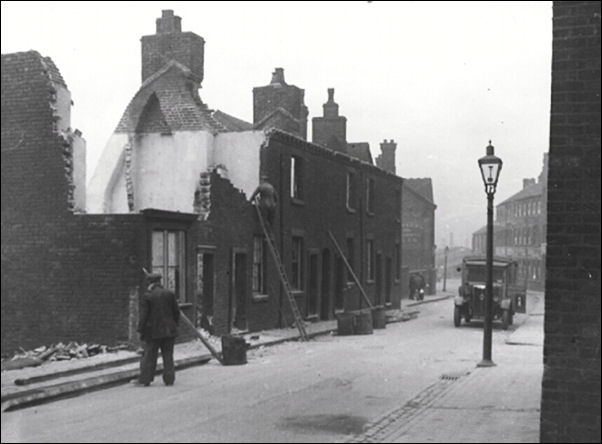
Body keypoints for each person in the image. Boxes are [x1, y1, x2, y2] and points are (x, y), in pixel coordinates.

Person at [136, 272, 180, 386]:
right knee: (168, 355)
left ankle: (146, 379)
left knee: (150, 356)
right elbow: (176, 312)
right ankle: (169, 380)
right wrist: (174, 325)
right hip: (169, 331)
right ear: (159, 282)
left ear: (150, 284)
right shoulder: (170, 294)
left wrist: (140, 330)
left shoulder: (148, 296)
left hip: (153, 332)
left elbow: (144, 316)